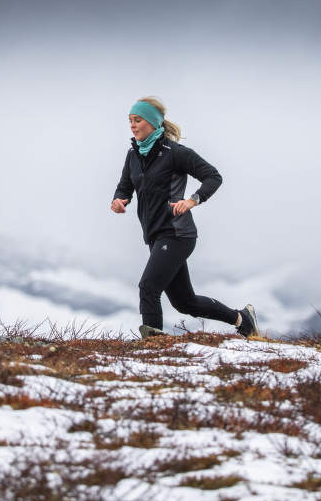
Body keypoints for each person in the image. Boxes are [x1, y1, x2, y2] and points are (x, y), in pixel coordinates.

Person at [111, 96, 261, 339]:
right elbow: (124, 187)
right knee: (185, 302)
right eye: (129, 121)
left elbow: (213, 176)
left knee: (148, 287)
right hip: (155, 235)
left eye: (137, 120)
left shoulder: (175, 153)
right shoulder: (133, 155)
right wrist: (119, 200)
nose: (132, 125)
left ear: (152, 122)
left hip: (177, 233)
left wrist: (193, 200)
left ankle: (154, 346)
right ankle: (243, 319)